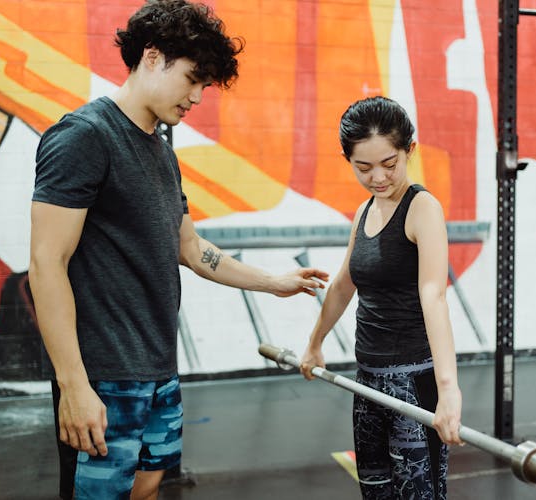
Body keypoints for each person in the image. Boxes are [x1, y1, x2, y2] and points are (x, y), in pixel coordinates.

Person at [28, 1, 328, 498]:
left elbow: (188, 247)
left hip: (158, 367)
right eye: (192, 79)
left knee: (147, 488)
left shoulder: (161, 151)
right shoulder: (84, 136)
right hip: (104, 374)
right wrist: (74, 385)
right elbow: (46, 263)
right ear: (151, 57)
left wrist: (273, 283)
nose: (196, 97)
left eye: (204, 86)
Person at [300, 96, 463, 499]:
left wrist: (449, 390)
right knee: (375, 492)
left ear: (410, 150)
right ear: (348, 160)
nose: (378, 178)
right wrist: (314, 343)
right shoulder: (364, 211)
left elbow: (434, 295)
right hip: (368, 382)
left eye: (389, 164)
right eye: (364, 167)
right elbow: (342, 285)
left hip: (414, 383)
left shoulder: (422, 208)